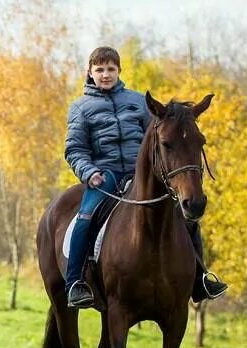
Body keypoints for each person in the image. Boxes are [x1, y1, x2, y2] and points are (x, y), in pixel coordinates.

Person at [63, 45, 228, 310]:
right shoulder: (80, 108)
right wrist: (89, 172)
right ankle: (75, 283)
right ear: (90, 73)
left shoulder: (139, 102)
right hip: (103, 176)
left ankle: (200, 277)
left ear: (119, 71)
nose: (105, 74)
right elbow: (75, 149)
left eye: (111, 69)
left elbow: (155, 140)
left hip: (138, 174)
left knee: (184, 215)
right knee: (85, 216)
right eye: (100, 70)